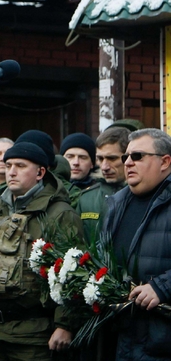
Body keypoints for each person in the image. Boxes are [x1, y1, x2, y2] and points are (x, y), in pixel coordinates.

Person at [0, 142, 83, 361]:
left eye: (20, 165)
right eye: (8, 165)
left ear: (40, 172)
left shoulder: (59, 214)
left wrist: (65, 325)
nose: (12, 171)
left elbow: (73, 273)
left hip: (34, 336)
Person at [103, 128, 171, 360]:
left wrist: (163, 287)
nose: (128, 162)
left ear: (165, 161)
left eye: (138, 156)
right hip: (121, 336)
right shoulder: (116, 203)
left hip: (161, 341)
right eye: (126, 157)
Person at [76, 127, 129, 243]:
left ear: (128, 157)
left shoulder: (145, 195)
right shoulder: (86, 198)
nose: (104, 166)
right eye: (100, 158)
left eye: (112, 158)